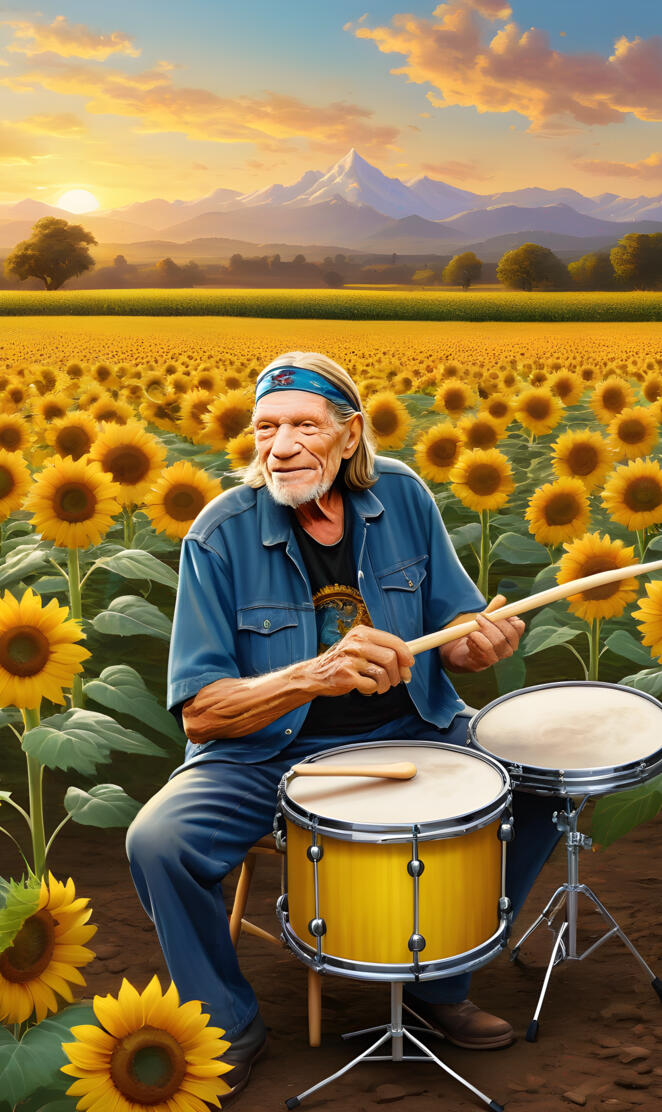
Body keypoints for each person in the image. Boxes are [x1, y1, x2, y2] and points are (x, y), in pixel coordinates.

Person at [126, 352, 562, 1101]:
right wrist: (309, 675)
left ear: (351, 434)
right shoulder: (218, 535)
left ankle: (440, 981)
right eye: (266, 428)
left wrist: (471, 639)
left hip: (415, 728)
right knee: (158, 843)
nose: (281, 447)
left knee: (547, 783)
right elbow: (201, 710)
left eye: (302, 426)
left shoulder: (403, 496)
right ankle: (229, 1024)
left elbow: (454, 622)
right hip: (268, 753)